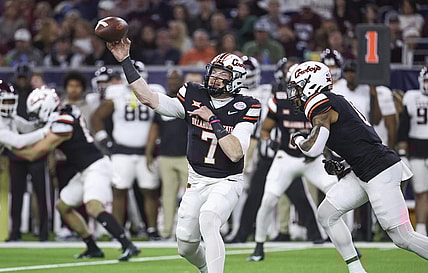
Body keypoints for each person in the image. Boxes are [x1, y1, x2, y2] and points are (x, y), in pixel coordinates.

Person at [107, 37, 260, 273]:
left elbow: (235, 153)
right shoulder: (192, 92)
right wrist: (125, 61)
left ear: (236, 81)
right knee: (186, 246)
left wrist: (214, 120)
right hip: (196, 180)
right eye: (214, 73)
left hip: (226, 180)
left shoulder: (247, 105)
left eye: (223, 76)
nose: (215, 79)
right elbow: (149, 99)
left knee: (209, 219)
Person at [287, 60, 428, 273]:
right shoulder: (332, 100)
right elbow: (357, 139)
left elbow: (313, 147)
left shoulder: (320, 101)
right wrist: (344, 163)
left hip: (379, 170)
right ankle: (356, 270)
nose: (295, 94)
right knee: (327, 214)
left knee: (402, 237)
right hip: (363, 169)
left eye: (297, 87)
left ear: (310, 84)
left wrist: (297, 139)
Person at [12, 86, 140, 261]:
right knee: (63, 207)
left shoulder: (64, 122)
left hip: (96, 166)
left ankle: (128, 245)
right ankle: (92, 247)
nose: (35, 117)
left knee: (94, 207)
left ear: (46, 107)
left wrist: (8, 148)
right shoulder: (64, 113)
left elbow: (36, 152)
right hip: (85, 169)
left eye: (36, 112)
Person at [247, 62, 337, 262]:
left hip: (312, 159)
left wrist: (329, 153)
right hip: (286, 157)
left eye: (298, 85)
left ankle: (347, 243)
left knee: (339, 193)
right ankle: (259, 246)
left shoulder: (322, 103)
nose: (294, 90)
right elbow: (265, 129)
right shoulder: (279, 100)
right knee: (268, 199)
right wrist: (269, 141)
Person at [91, 60, 165, 241]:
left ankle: (152, 229)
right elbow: (97, 117)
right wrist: (104, 140)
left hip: (144, 152)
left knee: (150, 191)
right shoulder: (116, 94)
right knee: (119, 191)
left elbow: (162, 118)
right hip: (121, 151)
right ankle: (119, 232)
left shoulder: (155, 91)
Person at [5, 65, 51, 242]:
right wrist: (46, 131)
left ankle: (44, 232)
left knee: (41, 194)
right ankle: (15, 231)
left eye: (25, 78)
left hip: (37, 149)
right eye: (20, 78)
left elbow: (28, 124)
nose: (22, 80)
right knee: (16, 194)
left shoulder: (38, 95)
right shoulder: (10, 96)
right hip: (16, 150)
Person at [145, 68, 187, 239]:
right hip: (166, 155)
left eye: (176, 79)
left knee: (193, 196)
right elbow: (155, 127)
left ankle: (192, 231)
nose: (173, 82)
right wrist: (149, 151)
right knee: (167, 196)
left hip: (187, 155)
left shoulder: (188, 100)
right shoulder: (163, 101)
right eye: (170, 79)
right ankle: (167, 231)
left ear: (182, 80)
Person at [397, 66, 428, 236]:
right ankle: (422, 229)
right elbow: (404, 127)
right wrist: (402, 152)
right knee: (420, 191)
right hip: (417, 151)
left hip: (418, 150)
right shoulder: (411, 97)